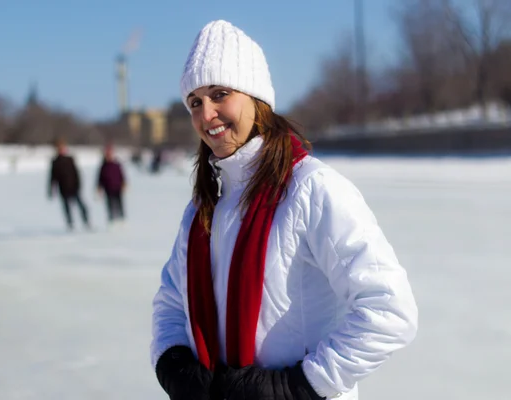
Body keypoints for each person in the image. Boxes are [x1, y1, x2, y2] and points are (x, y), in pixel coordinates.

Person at [150, 20, 418, 400]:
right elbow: (172, 303)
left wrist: (297, 387)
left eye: (220, 93)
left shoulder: (312, 189)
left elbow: (390, 310)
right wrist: (173, 363)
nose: (205, 114)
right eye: (194, 102)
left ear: (256, 97)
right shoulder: (202, 210)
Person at [48, 137, 90, 230]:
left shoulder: (70, 159)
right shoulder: (55, 162)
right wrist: (51, 189)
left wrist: (78, 185)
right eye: (59, 148)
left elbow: (76, 173)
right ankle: (70, 224)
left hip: (74, 187)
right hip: (63, 188)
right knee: (67, 207)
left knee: (82, 206)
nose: (61, 149)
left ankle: (86, 222)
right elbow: (52, 177)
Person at [97, 142, 126, 224]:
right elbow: (100, 178)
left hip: (117, 187)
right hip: (108, 188)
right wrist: (99, 187)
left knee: (119, 204)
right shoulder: (103, 166)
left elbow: (122, 175)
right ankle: (111, 219)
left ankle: (122, 219)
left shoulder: (117, 164)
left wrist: (124, 184)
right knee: (110, 204)